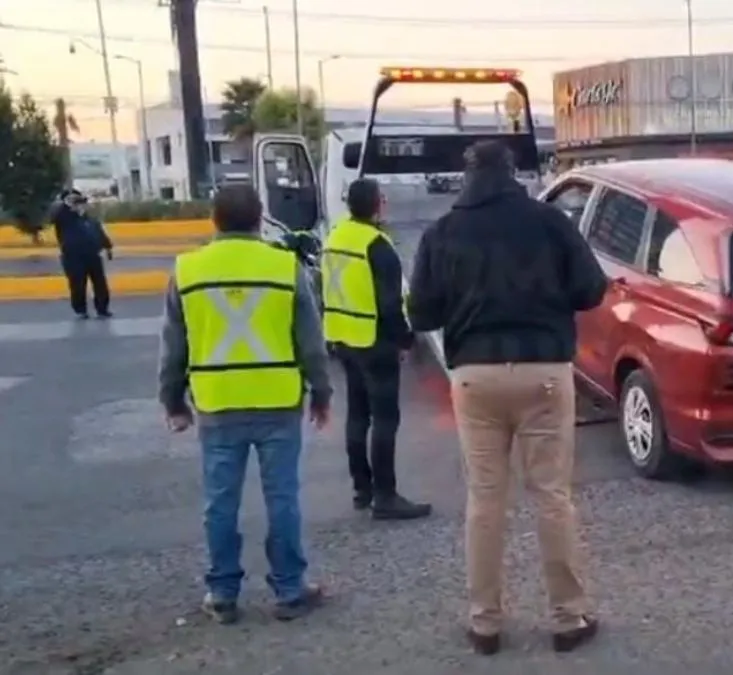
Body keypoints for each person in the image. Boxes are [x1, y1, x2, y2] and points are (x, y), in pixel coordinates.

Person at [407, 140, 608, 655]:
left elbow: (422, 315)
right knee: (551, 495)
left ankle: (485, 625)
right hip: (543, 370)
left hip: (476, 376)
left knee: (485, 501)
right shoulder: (548, 223)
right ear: (514, 173)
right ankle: (568, 618)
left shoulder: (443, 231)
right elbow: (591, 289)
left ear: (466, 176)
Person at [157, 184, 332, 624]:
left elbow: (173, 346)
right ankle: (290, 590)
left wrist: (173, 401)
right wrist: (322, 393)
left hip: (218, 404)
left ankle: (222, 593)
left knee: (220, 502)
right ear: (259, 219)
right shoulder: (285, 267)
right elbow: (311, 342)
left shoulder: (188, 269)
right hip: (278, 400)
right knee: (283, 498)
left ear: (214, 220)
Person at [321, 178, 431, 521]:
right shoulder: (377, 245)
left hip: (343, 337)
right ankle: (386, 496)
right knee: (385, 419)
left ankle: (362, 489)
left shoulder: (335, 237)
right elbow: (390, 302)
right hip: (374, 340)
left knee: (357, 415)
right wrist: (405, 339)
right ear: (376, 204)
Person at [52, 189, 113, 319]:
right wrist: (67, 203)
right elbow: (56, 215)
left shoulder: (89, 220)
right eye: (75, 202)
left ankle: (102, 309)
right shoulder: (64, 218)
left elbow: (99, 233)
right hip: (73, 257)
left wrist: (108, 247)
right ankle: (81, 310)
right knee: (77, 284)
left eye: (80, 202)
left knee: (100, 283)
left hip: (92, 256)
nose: (78, 204)